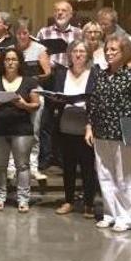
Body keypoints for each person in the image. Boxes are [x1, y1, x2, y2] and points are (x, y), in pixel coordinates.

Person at [86, 34, 131, 232]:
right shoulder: (100, 75)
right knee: (104, 174)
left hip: (126, 130)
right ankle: (109, 213)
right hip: (101, 130)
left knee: (124, 175)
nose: (109, 53)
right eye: (107, 49)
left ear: (125, 53)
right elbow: (93, 104)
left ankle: (125, 216)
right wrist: (89, 126)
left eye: (114, 50)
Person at [0, 47, 40, 212]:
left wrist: (24, 105)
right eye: (7, 59)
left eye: (14, 59)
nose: (10, 62)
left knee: (22, 165)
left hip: (21, 128)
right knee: (0, 165)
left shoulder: (29, 81)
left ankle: (23, 199)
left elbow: (36, 104)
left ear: (19, 62)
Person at [50, 40, 98, 217]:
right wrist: (57, 100)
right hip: (65, 125)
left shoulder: (94, 74)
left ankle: (89, 204)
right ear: (70, 54)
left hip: (86, 128)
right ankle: (68, 200)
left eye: (82, 52)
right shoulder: (62, 74)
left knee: (87, 168)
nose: (78, 54)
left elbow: (97, 100)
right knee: (68, 167)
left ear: (88, 55)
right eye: (75, 51)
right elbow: (56, 97)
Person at [36, 1, 81, 171]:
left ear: (71, 14)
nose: (60, 13)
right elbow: (38, 53)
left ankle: (63, 156)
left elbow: (83, 55)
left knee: (64, 117)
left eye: (64, 11)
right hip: (50, 77)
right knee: (46, 118)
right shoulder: (44, 32)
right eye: (57, 11)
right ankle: (46, 156)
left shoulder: (78, 33)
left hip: (70, 78)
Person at [12, 17, 51, 180]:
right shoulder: (11, 49)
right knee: (14, 130)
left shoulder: (39, 48)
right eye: (19, 33)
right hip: (15, 92)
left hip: (34, 91)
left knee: (34, 131)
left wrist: (32, 78)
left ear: (30, 33)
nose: (22, 36)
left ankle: (33, 166)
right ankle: (13, 166)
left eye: (25, 33)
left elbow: (47, 72)